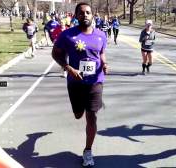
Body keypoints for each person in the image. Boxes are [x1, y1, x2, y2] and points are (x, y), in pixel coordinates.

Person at [52, 2, 109, 167]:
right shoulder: (67, 35)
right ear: (77, 16)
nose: (85, 15)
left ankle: (88, 151)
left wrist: (104, 64)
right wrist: (68, 68)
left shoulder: (101, 35)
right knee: (78, 115)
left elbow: (102, 52)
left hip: (95, 81)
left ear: (93, 15)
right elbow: (55, 53)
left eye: (88, 12)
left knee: (92, 117)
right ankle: (88, 105)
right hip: (75, 82)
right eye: (82, 13)